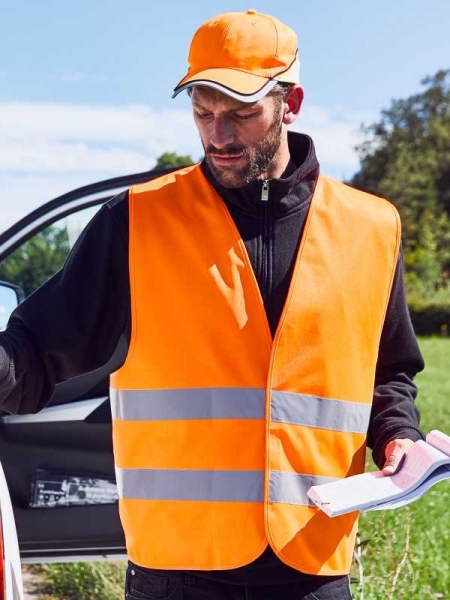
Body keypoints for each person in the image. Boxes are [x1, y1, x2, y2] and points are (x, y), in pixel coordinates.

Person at [0, 9, 425, 600]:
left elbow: (389, 371)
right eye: (203, 112)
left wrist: (398, 435)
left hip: (313, 560)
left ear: (291, 101)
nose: (218, 136)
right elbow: (35, 354)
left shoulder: (373, 228)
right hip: (177, 571)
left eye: (242, 114)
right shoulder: (137, 221)